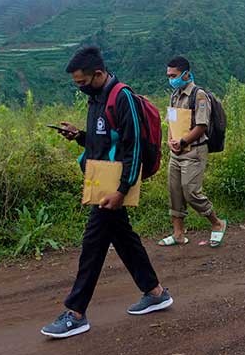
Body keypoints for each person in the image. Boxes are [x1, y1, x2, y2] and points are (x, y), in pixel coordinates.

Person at [41, 46, 172, 339]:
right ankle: (155, 292)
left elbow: (133, 146)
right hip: (101, 181)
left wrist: (122, 190)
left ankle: (75, 313)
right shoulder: (97, 99)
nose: (80, 88)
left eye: (82, 83)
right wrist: (80, 137)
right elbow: (102, 140)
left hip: (113, 186)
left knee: (93, 243)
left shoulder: (121, 96)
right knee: (123, 239)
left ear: (98, 74)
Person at [158, 56, 227, 248]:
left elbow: (202, 126)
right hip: (176, 152)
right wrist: (171, 140)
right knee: (175, 193)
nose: (171, 79)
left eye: (174, 75)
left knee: (191, 192)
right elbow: (172, 120)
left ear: (186, 74)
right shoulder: (175, 95)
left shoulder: (199, 95)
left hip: (194, 151)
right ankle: (178, 234)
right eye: (169, 76)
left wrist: (182, 141)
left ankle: (217, 223)